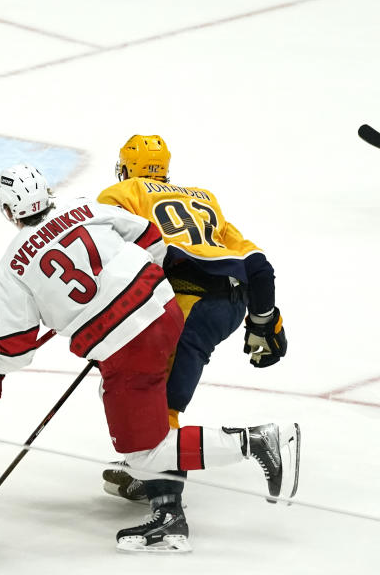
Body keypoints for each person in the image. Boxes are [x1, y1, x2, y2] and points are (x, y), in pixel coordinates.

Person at [0, 164, 300, 551]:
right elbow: (149, 236)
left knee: (143, 447)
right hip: (167, 310)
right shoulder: (87, 208)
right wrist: (130, 284)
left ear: (8, 211)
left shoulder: (12, 265)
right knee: (147, 411)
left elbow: (16, 345)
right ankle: (165, 507)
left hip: (127, 345)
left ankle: (254, 444)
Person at [95, 135, 288, 502]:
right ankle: (145, 468)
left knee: (155, 400)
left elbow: (113, 260)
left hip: (187, 306)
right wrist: (265, 319)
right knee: (147, 390)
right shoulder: (202, 197)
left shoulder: (123, 194)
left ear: (125, 168)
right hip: (230, 305)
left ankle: (166, 507)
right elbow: (258, 265)